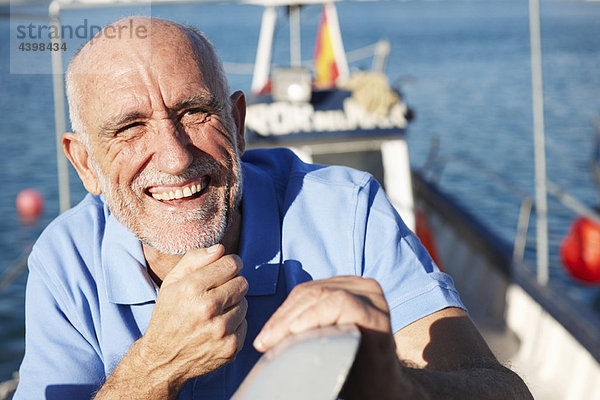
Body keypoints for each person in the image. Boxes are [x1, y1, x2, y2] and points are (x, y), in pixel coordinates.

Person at [14, 17, 532, 399]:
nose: (174, 157)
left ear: (238, 124)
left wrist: (396, 387)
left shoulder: (346, 211)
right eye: (130, 128)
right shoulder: (67, 260)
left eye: (194, 112)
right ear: (84, 164)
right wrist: (155, 367)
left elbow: (503, 392)